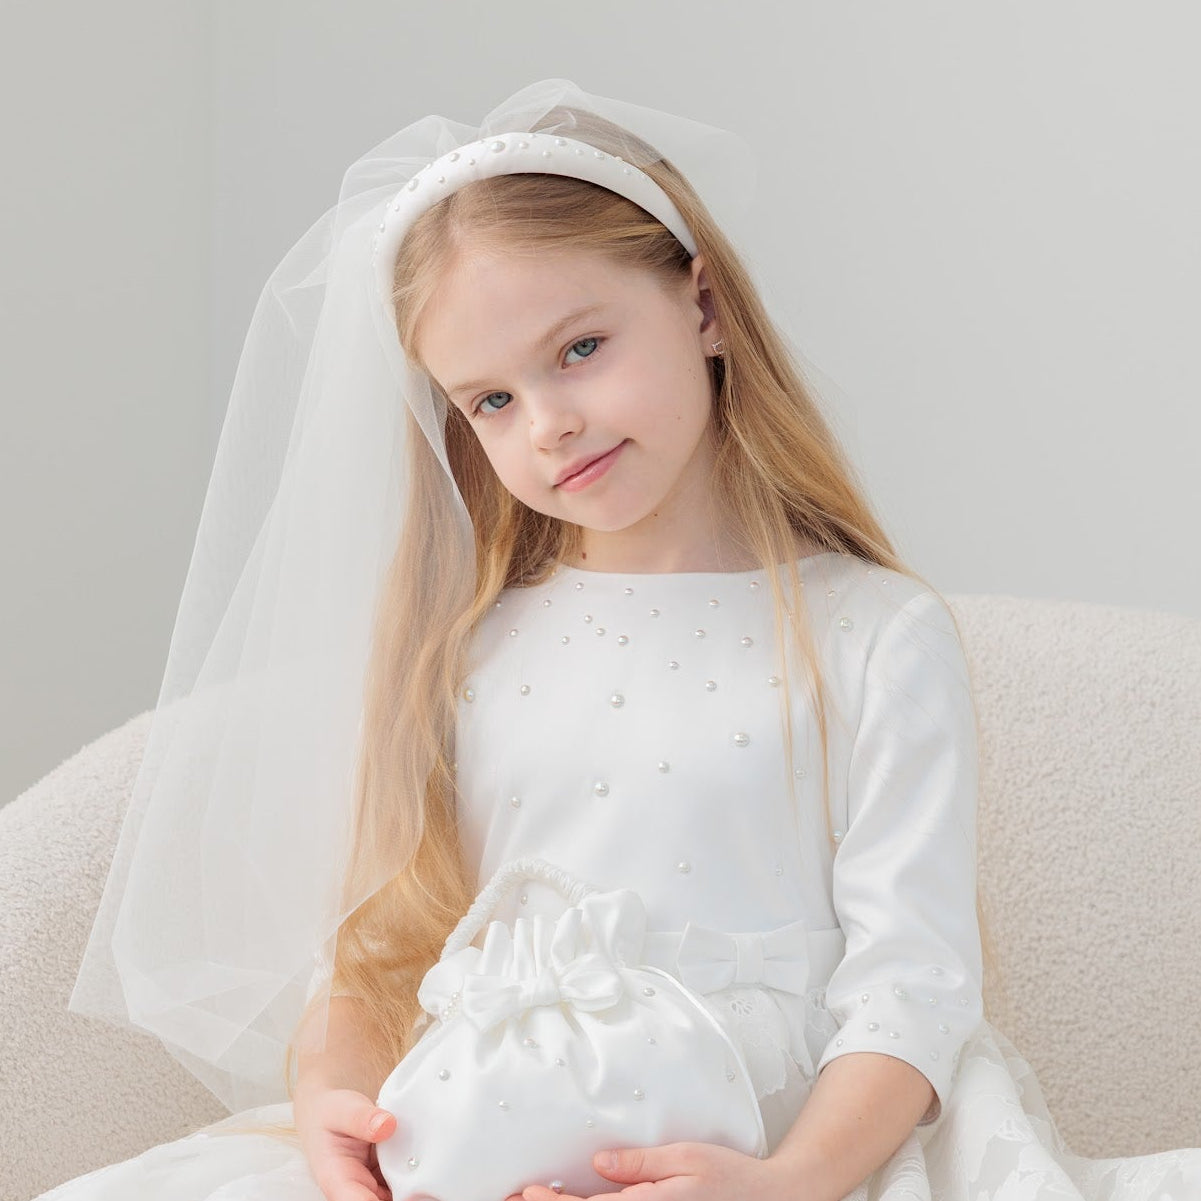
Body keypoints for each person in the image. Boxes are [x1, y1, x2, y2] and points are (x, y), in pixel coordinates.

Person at [37, 79, 1200, 1201]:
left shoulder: (873, 634)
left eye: (579, 349)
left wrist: (788, 1181)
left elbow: (915, 987)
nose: (549, 423)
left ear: (701, 307)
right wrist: (335, 1093)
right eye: (489, 400)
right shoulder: (466, 648)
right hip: (485, 1146)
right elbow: (378, 956)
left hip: (778, 1152)